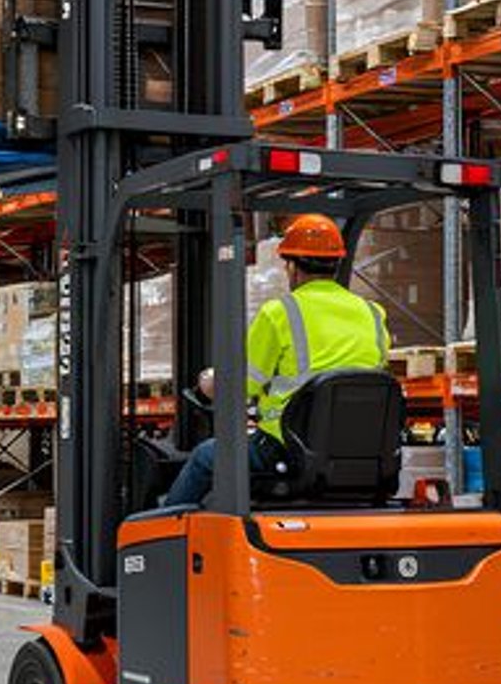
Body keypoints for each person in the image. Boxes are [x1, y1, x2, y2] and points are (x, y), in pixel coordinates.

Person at [160, 213, 392, 511]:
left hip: (288, 452)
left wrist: (208, 384)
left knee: (206, 456)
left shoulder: (280, 313)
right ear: (336, 264)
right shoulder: (373, 313)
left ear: (292, 267)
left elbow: (241, 385)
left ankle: (163, 529)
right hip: (361, 455)